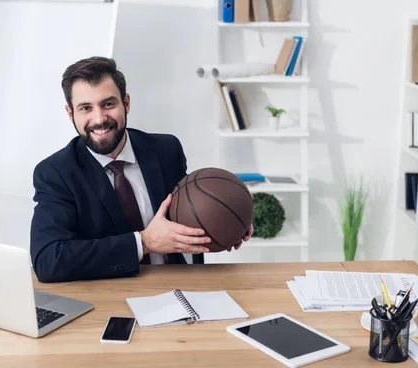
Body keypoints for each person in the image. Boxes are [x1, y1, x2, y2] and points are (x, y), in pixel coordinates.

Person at [29, 57, 252, 283]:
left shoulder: (166, 150)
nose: (99, 119)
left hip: (178, 286)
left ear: (126, 103)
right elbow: (48, 261)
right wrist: (144, 242)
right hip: (108, 294)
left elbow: (190, 211)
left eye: (108, 104)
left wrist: (226, 221)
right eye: (86, 108)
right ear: (71, 114)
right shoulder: (55, 173)